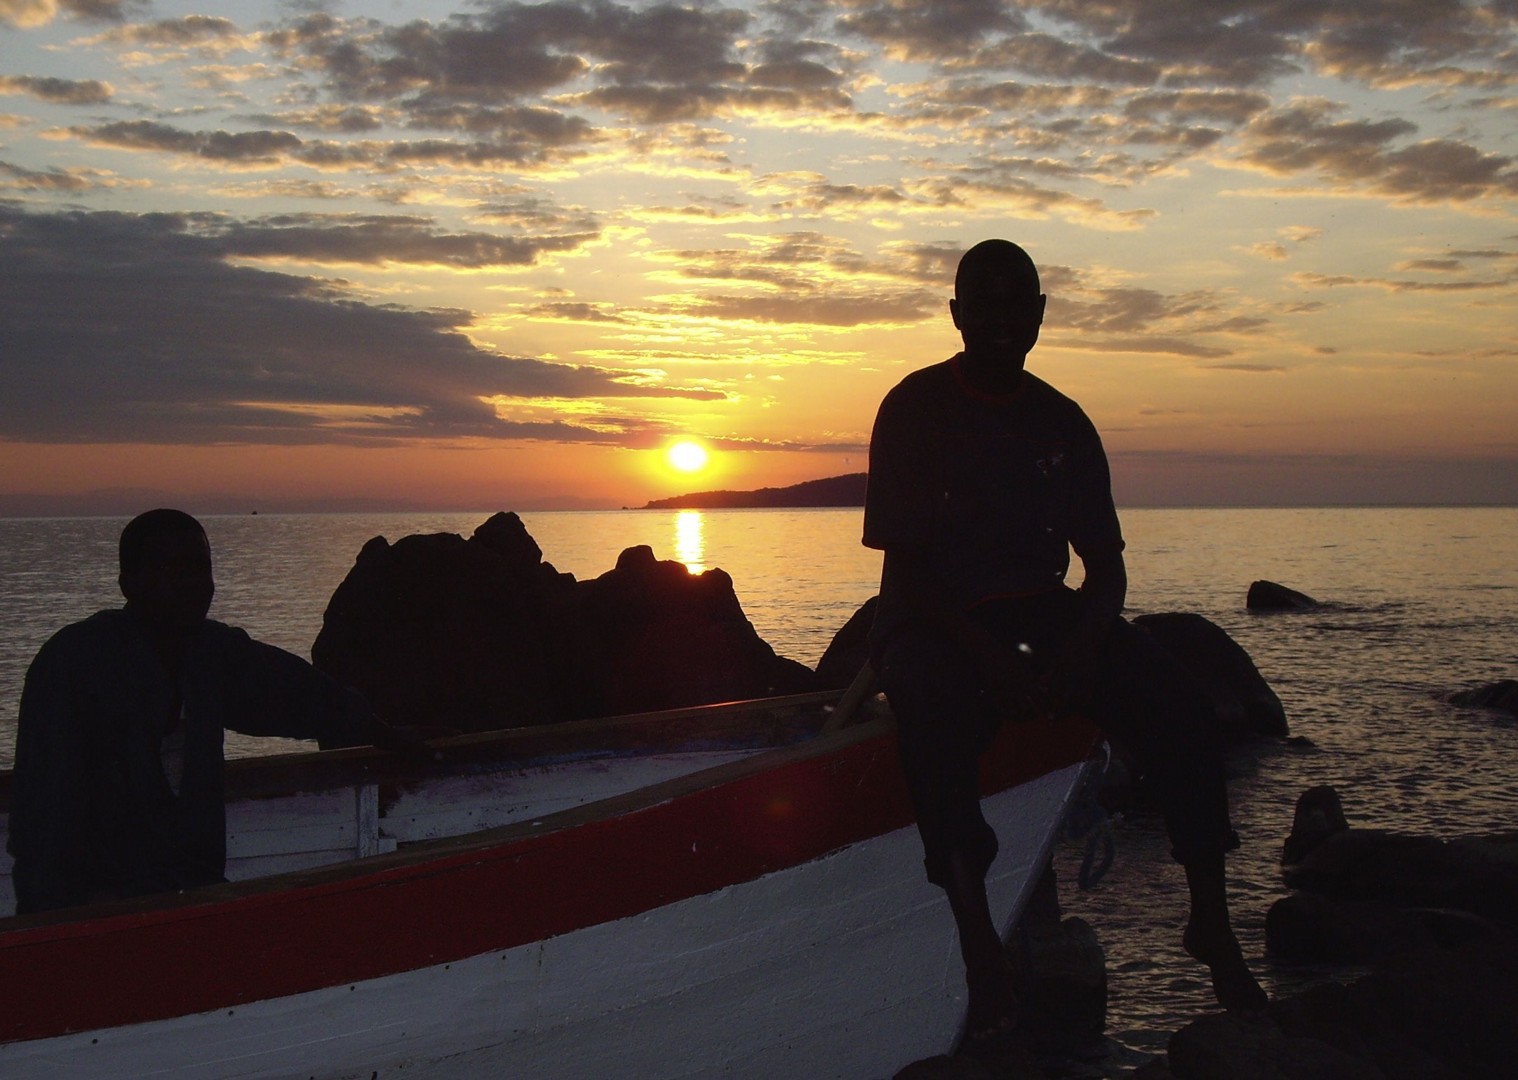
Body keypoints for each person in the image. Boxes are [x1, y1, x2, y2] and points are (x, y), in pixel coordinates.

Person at [862, 239, 1267, 1047]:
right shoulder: (912, 409)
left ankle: (1210, 925)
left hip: (1042, 612)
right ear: (956, 315)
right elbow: (904, 574)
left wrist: (1079, 655)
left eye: (1020, 304)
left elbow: (1107, 571)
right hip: (937, 616)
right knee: (934, 722)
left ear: (1042, 316)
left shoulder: (1063, 422)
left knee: (1184, 709)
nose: (1002, 320)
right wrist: (989, 664)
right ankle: (982, 954)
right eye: (984, 304)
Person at [7, 508, 419, 916]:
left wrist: (391, 735)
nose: (194, 585)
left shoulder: (213, 654)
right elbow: (44, 809)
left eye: (200, 569)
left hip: (195, 897)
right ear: (128, 583)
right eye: (172, 570)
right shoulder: (72, 664)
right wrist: (53, 917)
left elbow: (303, 696)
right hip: (103, 909)